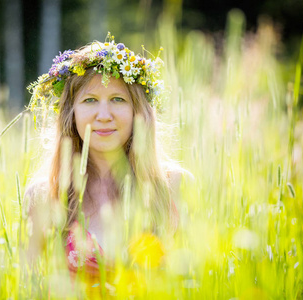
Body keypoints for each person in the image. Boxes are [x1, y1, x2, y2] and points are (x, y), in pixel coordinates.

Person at [25, 33, 191, 284]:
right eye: (90, 100)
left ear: (139, 111)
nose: (104, 115)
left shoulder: (174, 187)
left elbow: (196, 281)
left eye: (117, 99)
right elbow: (27, 286)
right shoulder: (44, 196)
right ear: (72, 114)